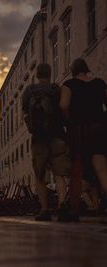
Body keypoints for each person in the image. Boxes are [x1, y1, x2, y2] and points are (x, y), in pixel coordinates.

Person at [22, 63, 71, 221]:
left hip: (38, 138)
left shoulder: (28, 91)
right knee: (59, 174)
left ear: (36, 74)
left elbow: (24, 113)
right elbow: (64, 110)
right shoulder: (56, 89)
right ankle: (62, 205)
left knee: (40, 176)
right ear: (50, 74)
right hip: (57, 135)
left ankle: (44, 210)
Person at [60, 58, 107, 221]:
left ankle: (73, 210)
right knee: (101, 167)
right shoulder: (100, 83)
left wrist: (66, 120)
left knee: (77, 169)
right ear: (86, 69)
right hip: (99, 128)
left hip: (78, 130)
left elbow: (64, 105)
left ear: (73, 71)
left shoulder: (69, 85)